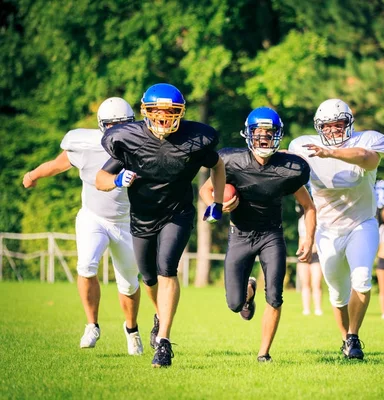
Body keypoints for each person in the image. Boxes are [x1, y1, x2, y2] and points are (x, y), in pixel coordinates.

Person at [95, 83, 226, 368]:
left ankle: (164, 341)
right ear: (146, 112)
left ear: (180, 113)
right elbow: (100, 179)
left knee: (167, 267)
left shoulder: (194, 139)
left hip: (177, 214)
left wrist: (215, 199)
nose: (164, 118)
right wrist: (117, 181)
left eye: (171, 112)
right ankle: (159, 315)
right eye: (158, 112)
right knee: (148, 277)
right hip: (142, 218)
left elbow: (218, 165)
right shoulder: (128, 139)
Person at [23, 97, 143, 355]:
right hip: (93, 217)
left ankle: (131, 330)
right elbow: (57, 165)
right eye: (113, 126)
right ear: (102, 126)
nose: (119, 132)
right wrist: (32, 175)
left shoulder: (142, 146)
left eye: (124, 125)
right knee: (87, 266)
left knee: (129, 285)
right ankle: (92, 325)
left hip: (126, 224)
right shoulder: (84, 145)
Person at [199, 107, 315, 362]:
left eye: (269, 133)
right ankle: (248, 291)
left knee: (274, 295)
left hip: (271, 235)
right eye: (258, 133)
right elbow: (206, 191)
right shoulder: (231, 161)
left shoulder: (289, 168)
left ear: (277, 135)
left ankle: (264, 353)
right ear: (249, 135)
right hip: (240, 234)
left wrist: (308, 238)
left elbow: (308, 206)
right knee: (234, 304)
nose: (263, 138)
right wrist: (217, 206)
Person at [289, 98, 384, 360]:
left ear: (349, 124)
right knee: (337, 292)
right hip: (327, 230)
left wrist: (330, 152)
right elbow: (285, 171)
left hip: (361, 223)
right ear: (319, 127)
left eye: (339, 124)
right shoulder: (303, 146)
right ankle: (346, 340)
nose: (333, 130)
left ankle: (354, 336)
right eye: (328, 126)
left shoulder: (368, 141)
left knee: (362, 279)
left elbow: (367, 159)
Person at [296, 199, 323, 316]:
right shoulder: (301, 220)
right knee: (305, 284)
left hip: (316, 254)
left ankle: (318, 308)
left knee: (316, 283)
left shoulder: (319, 220)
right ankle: (306, 309)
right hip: (302, 255)